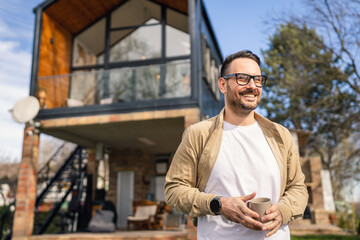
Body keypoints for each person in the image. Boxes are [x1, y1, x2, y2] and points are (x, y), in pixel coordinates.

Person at [164, 50, 308, 239]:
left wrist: (283, 210)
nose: (252, 86)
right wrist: (219, 205)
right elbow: (174, 190)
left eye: (257, 79)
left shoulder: (280, 135)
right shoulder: (198, 134)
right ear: (223, 85)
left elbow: (298, 187)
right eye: (242, 78)